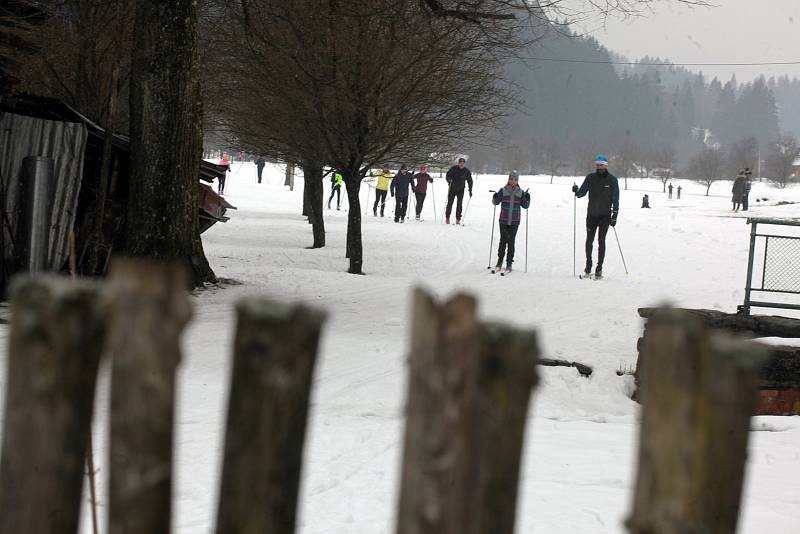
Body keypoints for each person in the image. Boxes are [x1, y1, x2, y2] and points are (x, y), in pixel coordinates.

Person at [572, 154, 620, 279]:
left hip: (605, 216)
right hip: (592, 215)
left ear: (606, 165)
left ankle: (599, 269)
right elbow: (581, 193)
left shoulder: (612, 180)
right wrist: (576, 190)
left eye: (602, 164)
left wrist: (614, 215)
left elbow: (616, 198)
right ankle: (588, 268)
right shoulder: (590, 178)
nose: (600, 167)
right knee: (589, 241)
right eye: (598, 164)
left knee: (601, 241)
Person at [492, 171, 530, 273]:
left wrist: (527, 198)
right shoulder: (503, 190)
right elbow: (496, 202)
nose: (513, 181)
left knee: (511, 241)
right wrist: (495, 197)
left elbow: (525, 206)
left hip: (514, 221)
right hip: (503, 220)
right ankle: (499, 262)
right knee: (503, 240)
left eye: (515, 179)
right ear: (508, 180)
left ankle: (509, 263)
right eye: (511, 179)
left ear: (517, 181)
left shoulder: (521, 192)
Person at [445, 157, 473, 224]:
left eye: (463, 163)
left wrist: (470, 190)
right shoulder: (453, 168)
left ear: (464, 164)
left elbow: (470, 181)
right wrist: (449, 180)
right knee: (450, 203)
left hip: (461, 190)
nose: (461, 164)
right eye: (460, 163)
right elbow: (447, 175)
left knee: (459, 204)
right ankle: (447, 217)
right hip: (452, 189)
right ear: (458, 163)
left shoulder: (466, 171)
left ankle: (458, 219)